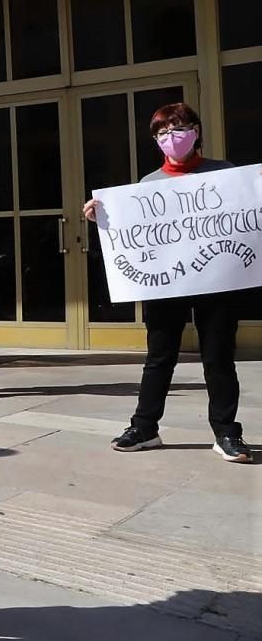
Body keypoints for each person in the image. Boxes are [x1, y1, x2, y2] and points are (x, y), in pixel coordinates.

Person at [83, 103, 252, 464]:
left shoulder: (225, 174)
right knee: (159, 357)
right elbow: (135, 234)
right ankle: (145, 427)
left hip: (217, 281)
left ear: (196, 130)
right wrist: (102, 219)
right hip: (166, 284)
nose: (171, 138)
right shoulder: (148, 185)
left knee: (218, 357)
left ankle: (226, 431)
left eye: (178, 129)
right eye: (162, 133)